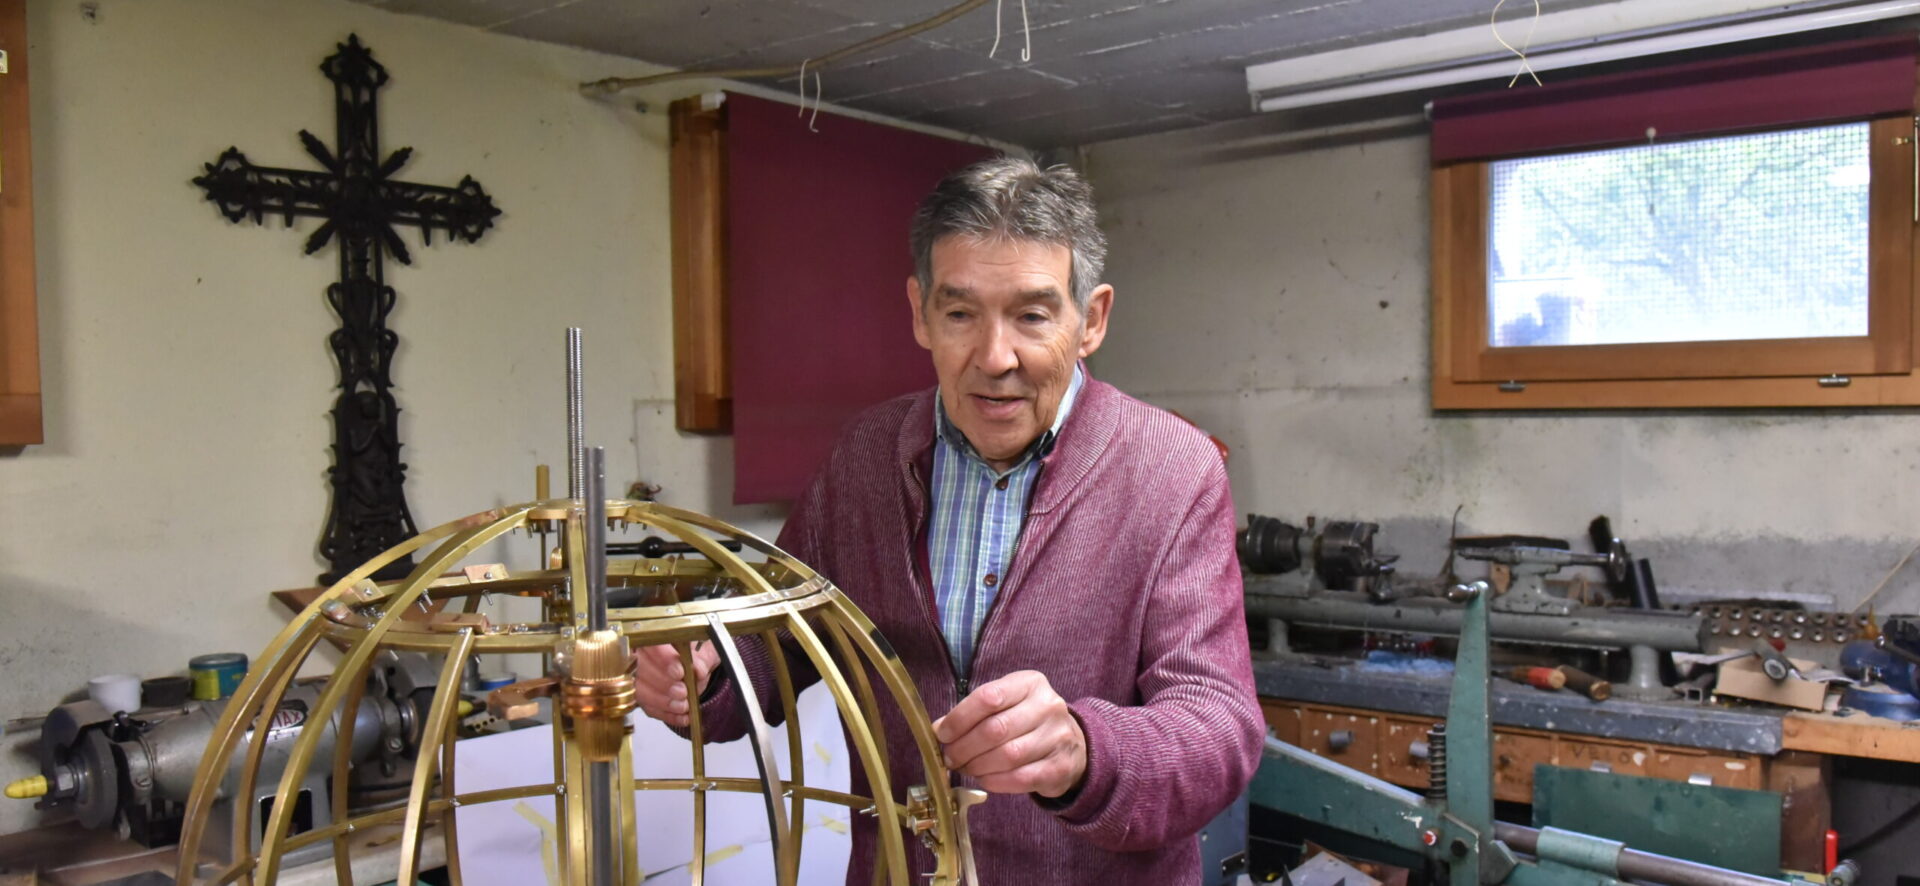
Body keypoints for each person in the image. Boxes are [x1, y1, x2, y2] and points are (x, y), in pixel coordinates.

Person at [631, 157, 1261, 884]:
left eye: (1032, 315)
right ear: (919, 313)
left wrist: (1086, 751)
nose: (995, 358)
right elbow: (784, 639)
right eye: (961, 313)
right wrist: (705, 679)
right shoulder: (866, 455)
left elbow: (1219, 727)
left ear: (1090, 320)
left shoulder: (1172, 469)